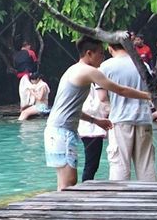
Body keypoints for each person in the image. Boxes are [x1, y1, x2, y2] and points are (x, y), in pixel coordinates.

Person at [44, 36, 150, 190]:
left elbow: (71, 108)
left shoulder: (72, 69)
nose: (103, 56)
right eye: (100, 53)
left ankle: (65, 211)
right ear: (89, 54)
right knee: (69, 183)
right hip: (62, 132)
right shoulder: (89, 71)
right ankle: (66, 212)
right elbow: (120, 89)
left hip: (57, 130)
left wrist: (95, 120)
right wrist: (150, 96)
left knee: (64, 182)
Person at [99, 41, 157, 182]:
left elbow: (102, 97)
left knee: (120, 165)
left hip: (120, 119)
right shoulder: (143, 65)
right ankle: (150, 199)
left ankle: (119, 201)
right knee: (146, 165)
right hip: (144, 118)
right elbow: (150, 92)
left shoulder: (106, 66)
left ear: (110, 47)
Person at [77, 84, 110, 182]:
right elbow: (90, 108)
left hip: (92, 129)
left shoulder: (88, 86)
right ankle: (85, 186)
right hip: (91, 130)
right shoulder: (88, 87)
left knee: (92, 164)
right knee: (91, 164)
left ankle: (86, 185)